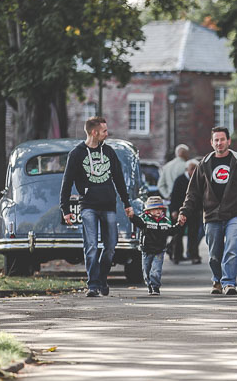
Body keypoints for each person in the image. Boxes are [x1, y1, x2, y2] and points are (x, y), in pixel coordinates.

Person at [178, 126, 237, 296]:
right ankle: (217, 280)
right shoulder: (204, 164)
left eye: (222, 139)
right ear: (211, 143)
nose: (219, 143)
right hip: (212, 215)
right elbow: (193, 192)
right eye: (216, 140)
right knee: (214, 254)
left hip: (235, 214)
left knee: (232, 247)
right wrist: (184, 212)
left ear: (229, 141)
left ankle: (229, 282)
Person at [60, 116, 134, 297]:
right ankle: (93, 285)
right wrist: (66, 209)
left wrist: (126, 203)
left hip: (108, 205)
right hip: (88, 206)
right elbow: (67, 182)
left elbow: (118, 179)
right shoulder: (76, 154)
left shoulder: (108, 152)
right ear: (94, 132)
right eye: (104, 131)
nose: (107, 134)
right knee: (91, 246)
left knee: (110, 247)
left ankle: (101, 278)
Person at [129, 196, 182, 295]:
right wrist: (132, 217)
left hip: (159, 250)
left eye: (160, 209)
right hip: (147, 250)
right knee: (146, 270)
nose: (158, 211)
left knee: (156, 270)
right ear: (149, 210)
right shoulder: (144, 219)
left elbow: (172, 231)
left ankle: (155, 287)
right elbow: (138, 222)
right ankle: (149, 285)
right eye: (155, 208)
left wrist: (179, 225)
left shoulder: (165, 221)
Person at [169, 159, 201, 264]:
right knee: (178, 234)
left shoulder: (199, 180)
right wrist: (173, 210)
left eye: (196, 169)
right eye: (192, 169)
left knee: (193, 235)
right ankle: (176, 255)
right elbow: (174, 196)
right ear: (187, 169)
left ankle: (193, 255)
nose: (194, 171)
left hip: (194, 212)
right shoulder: (180, 180)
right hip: (180, 211)